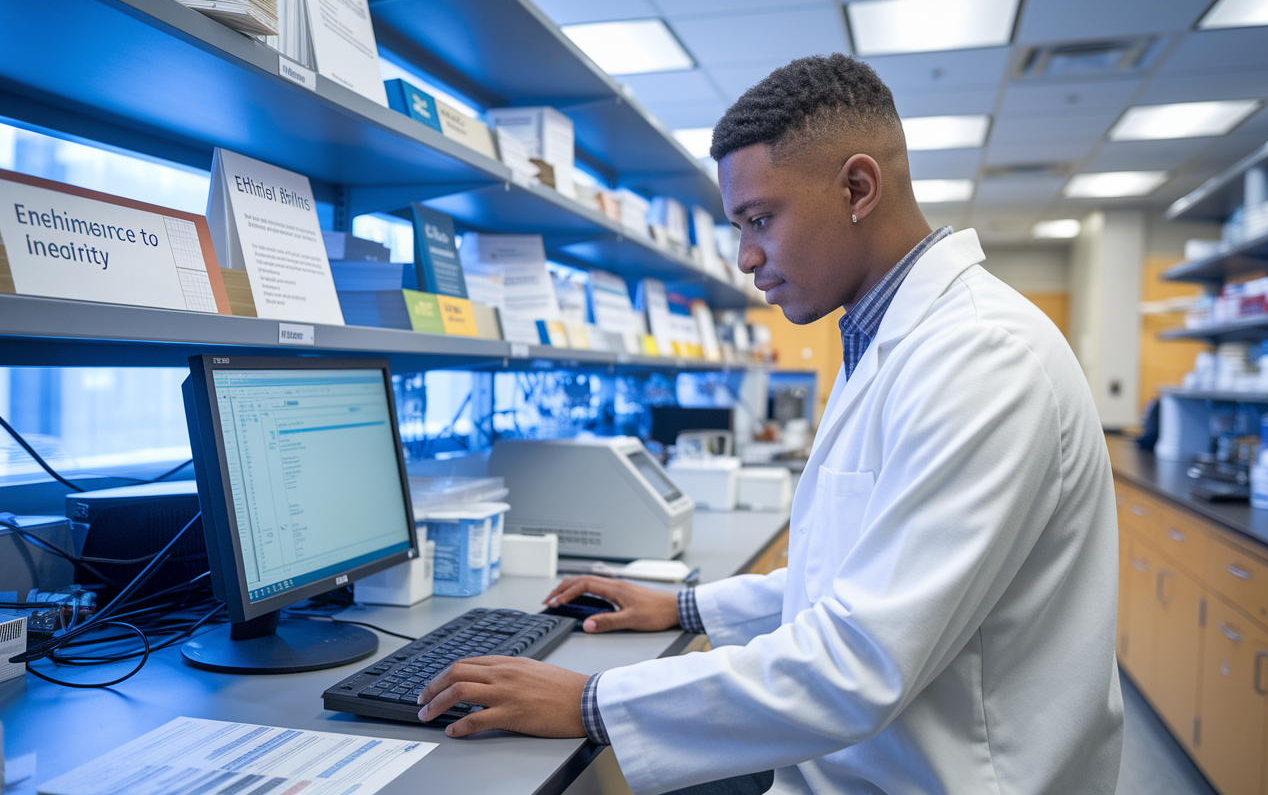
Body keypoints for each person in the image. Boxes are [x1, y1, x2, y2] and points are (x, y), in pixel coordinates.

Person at [417, 54, 1124, 795]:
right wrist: (684, 604)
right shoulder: (888, 338)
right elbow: (854, 574)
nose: (748, 256)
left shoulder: (982, 360)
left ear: (858, 187)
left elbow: (862, 661)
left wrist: (587, 701)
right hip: (861, 762)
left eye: (760, 220)